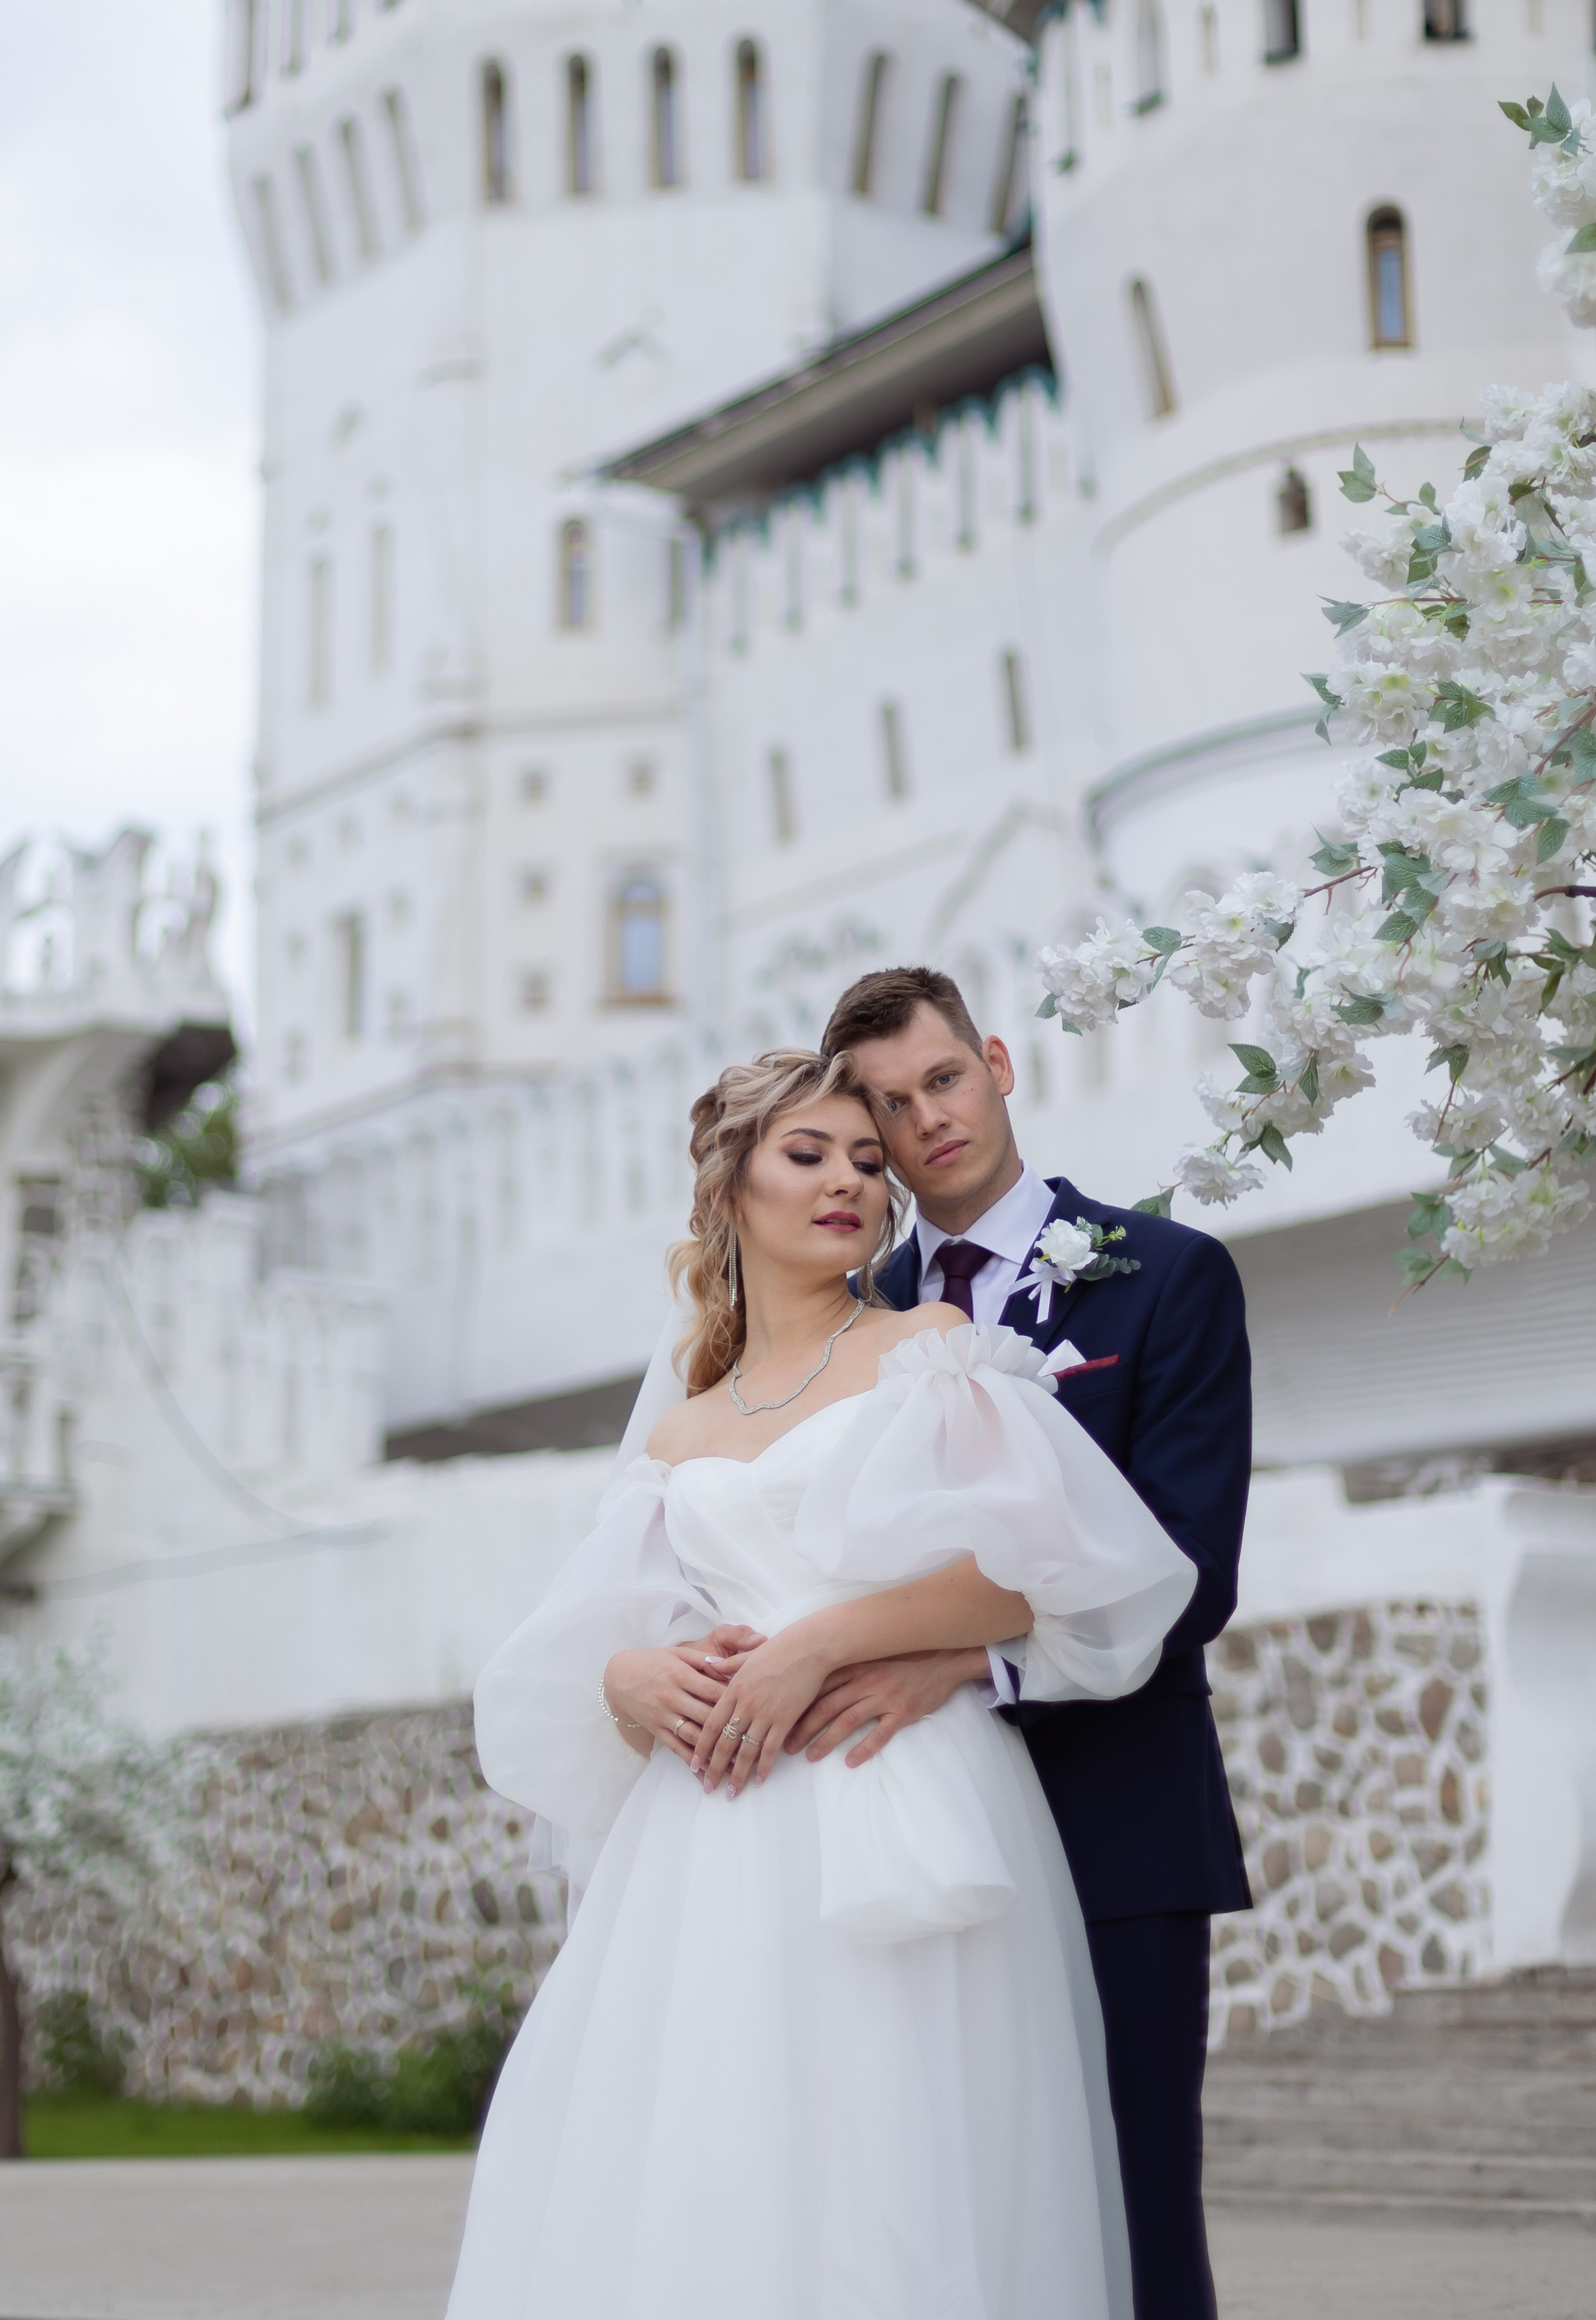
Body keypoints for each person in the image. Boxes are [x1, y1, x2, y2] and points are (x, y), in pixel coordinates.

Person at [445, 1047, 1198, 2320]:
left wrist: (820, 1644)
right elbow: (599, 1634)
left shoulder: (931, 1348)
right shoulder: (684, 1419)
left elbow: (1037, 1577)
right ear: (729, 1185)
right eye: (808, 1155)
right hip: (715, 1838)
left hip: (897, 1780)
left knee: (907, 2146)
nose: (849, 1182)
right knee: (717, 2155)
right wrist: (631, 1675)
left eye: (866, 1162)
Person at [811, 966, 1254, 2320]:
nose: (924, 1118)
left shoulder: (1163, 1277)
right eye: (886, 1108)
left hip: (1111, 1829)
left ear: (996, 1063)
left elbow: (1186, 1575)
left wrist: (967, 1657)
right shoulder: (842, 1324)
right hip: (906, 1836)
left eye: (941, 1077)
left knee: (1127, 2212)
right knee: (938, 2214)